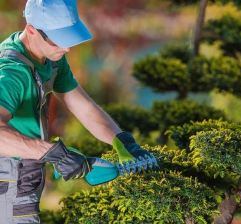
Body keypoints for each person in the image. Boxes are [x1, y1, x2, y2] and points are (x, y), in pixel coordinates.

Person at [0, 0, 156, 223]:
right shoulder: (12, 74)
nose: (67, 48)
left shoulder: (52, 60)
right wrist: (56, 154)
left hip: (26, 172)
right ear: (32, 30)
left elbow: (83, 107)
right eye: (58, 39)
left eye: (69, 37)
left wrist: (122, 141)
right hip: (7, 179)